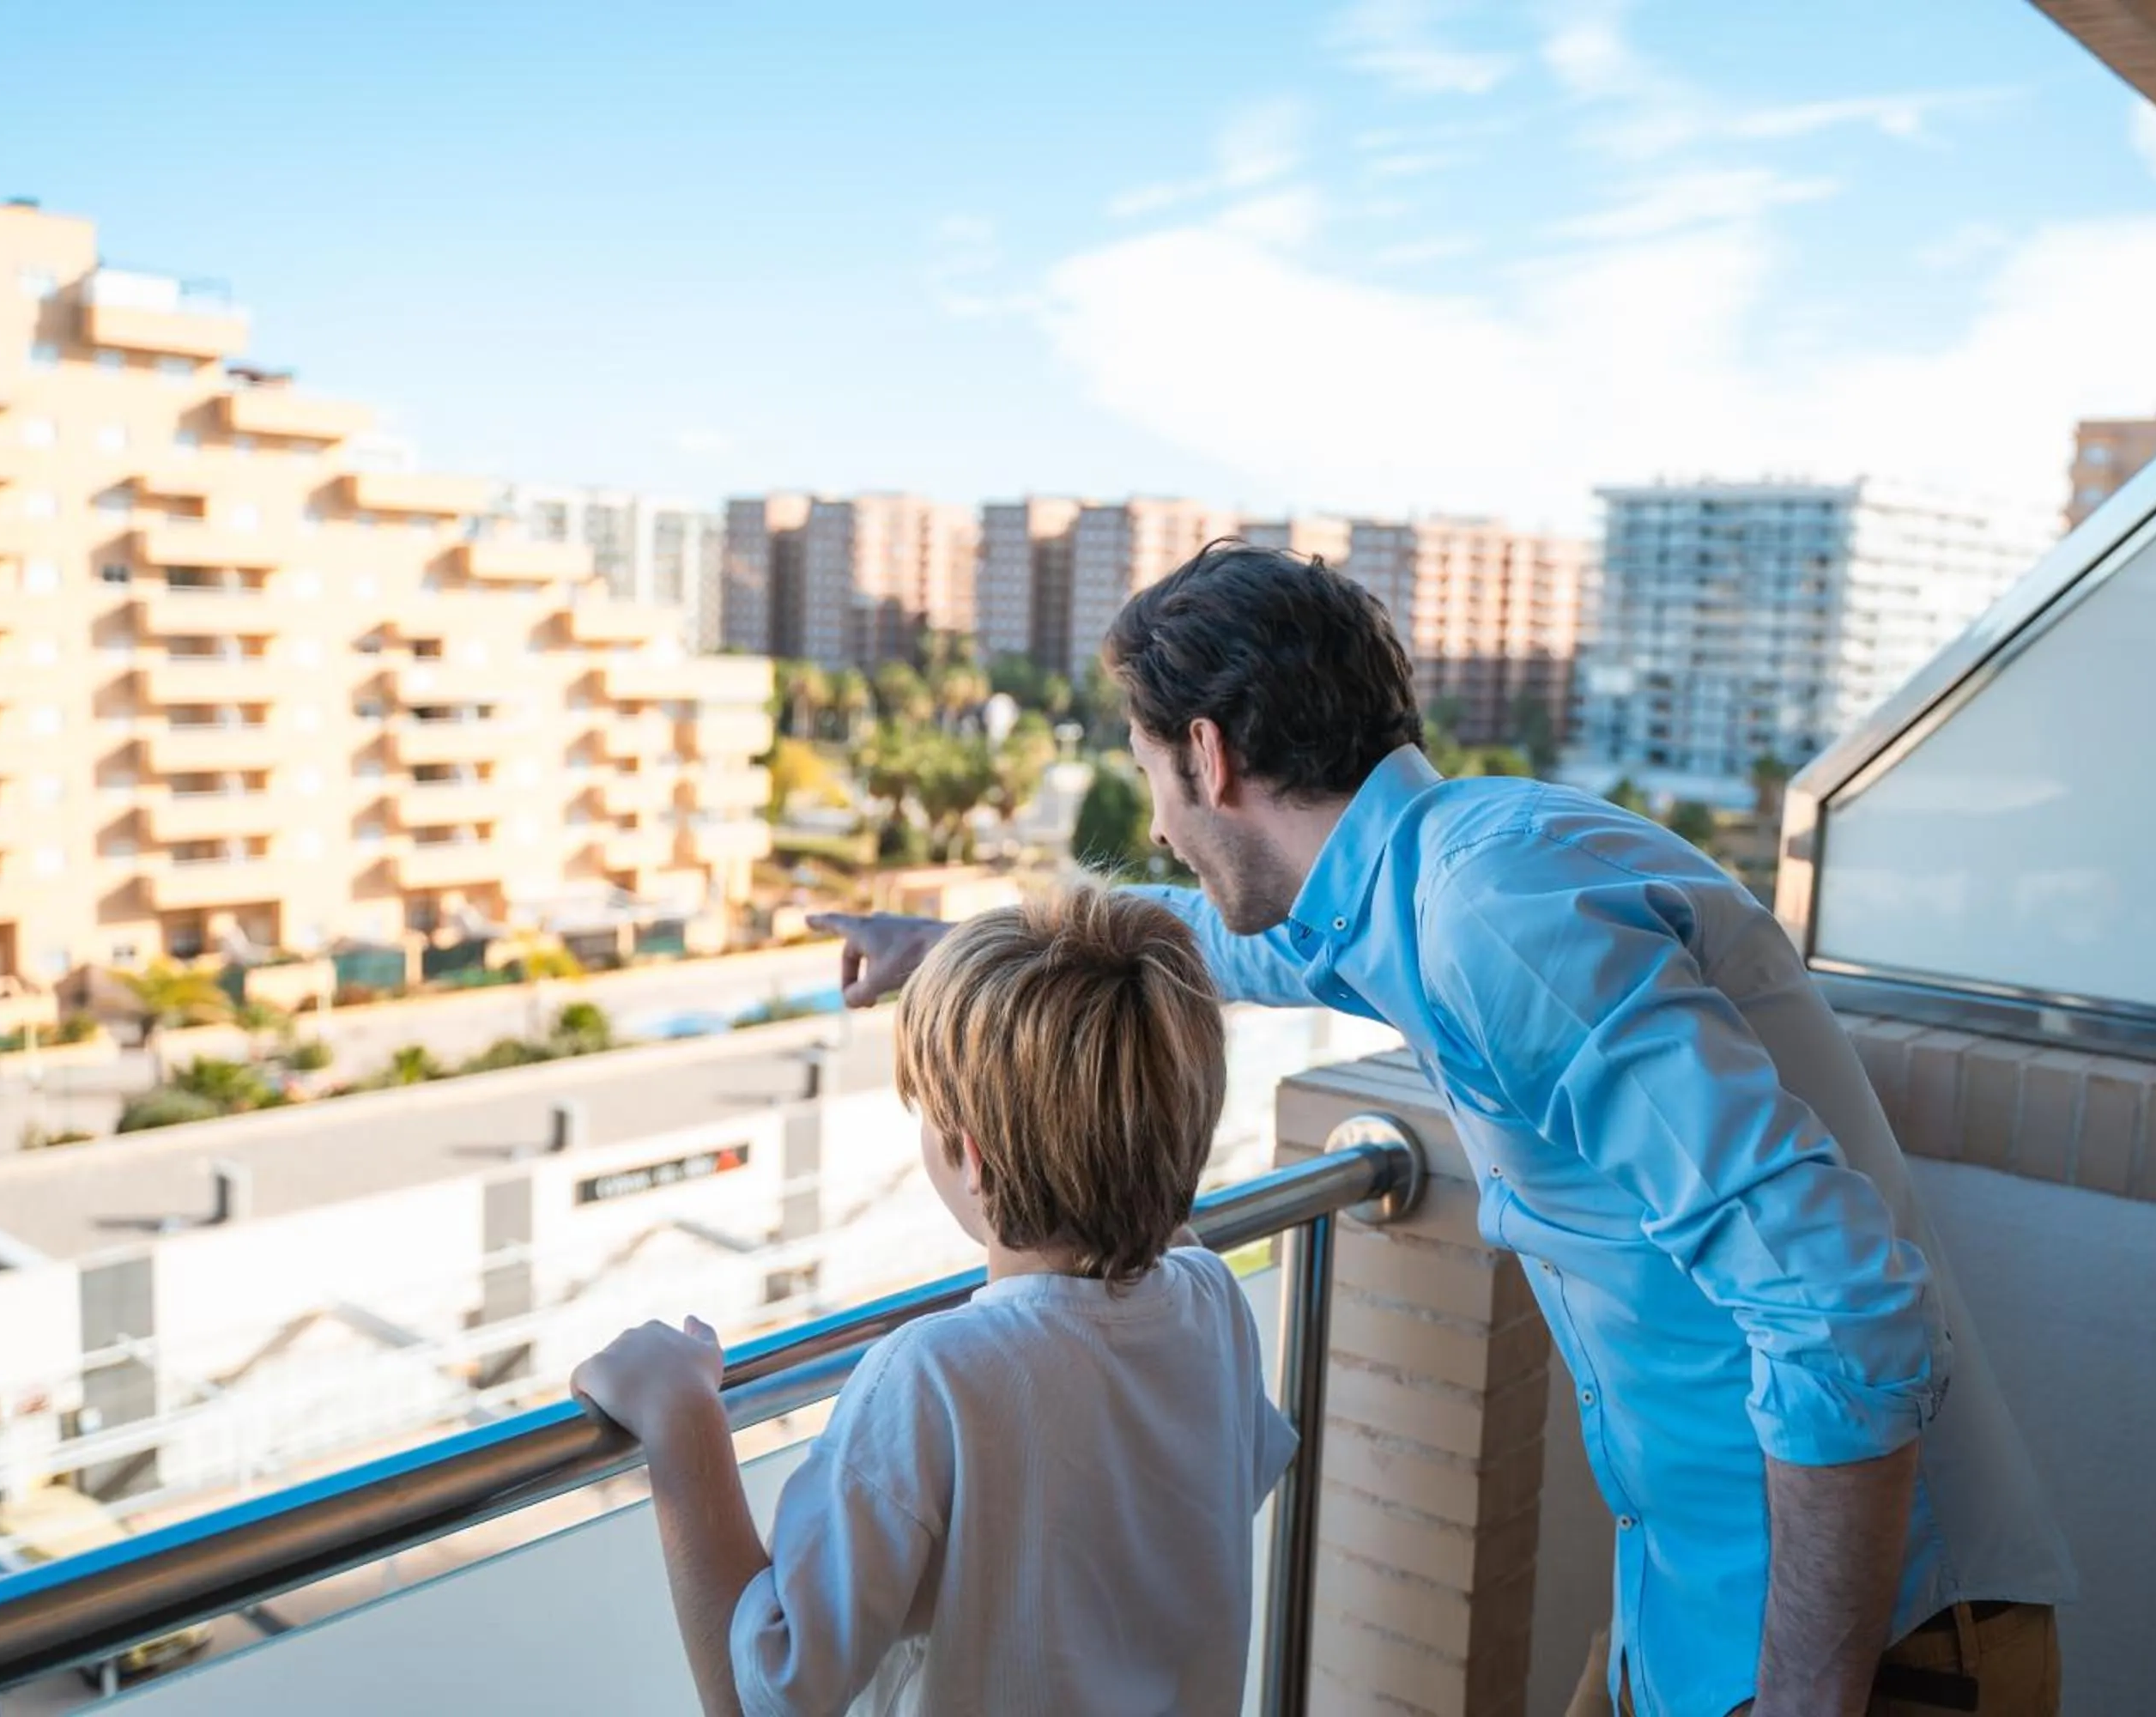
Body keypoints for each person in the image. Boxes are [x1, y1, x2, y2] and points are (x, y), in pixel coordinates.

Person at [832, 543, 2074, 1717]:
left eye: (1154, 776)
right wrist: (946, 951)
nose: (1156, 824)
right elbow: (1223, 937)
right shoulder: (1438, 878)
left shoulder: (1493, 911)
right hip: (1693, 1619)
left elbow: (1844, 1309)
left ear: (1206, 757)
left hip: (1853, 1655)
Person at [573, 885, 1297, 1717]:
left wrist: (680, 1415)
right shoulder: (1211, 1299)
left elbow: (767, 1693)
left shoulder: (935, 1376)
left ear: (974, 1160)